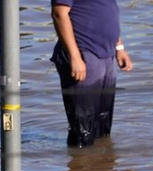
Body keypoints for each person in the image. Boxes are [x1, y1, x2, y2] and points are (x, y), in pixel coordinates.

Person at [50, 0, 133, 149]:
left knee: (103, 124)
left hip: (106, 54)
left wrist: (119, 47)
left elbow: (107, 12)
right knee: (83, 129)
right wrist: (75, 57)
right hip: (83, 54)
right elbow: (59, 14)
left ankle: (102, 168)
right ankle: (80, 168)